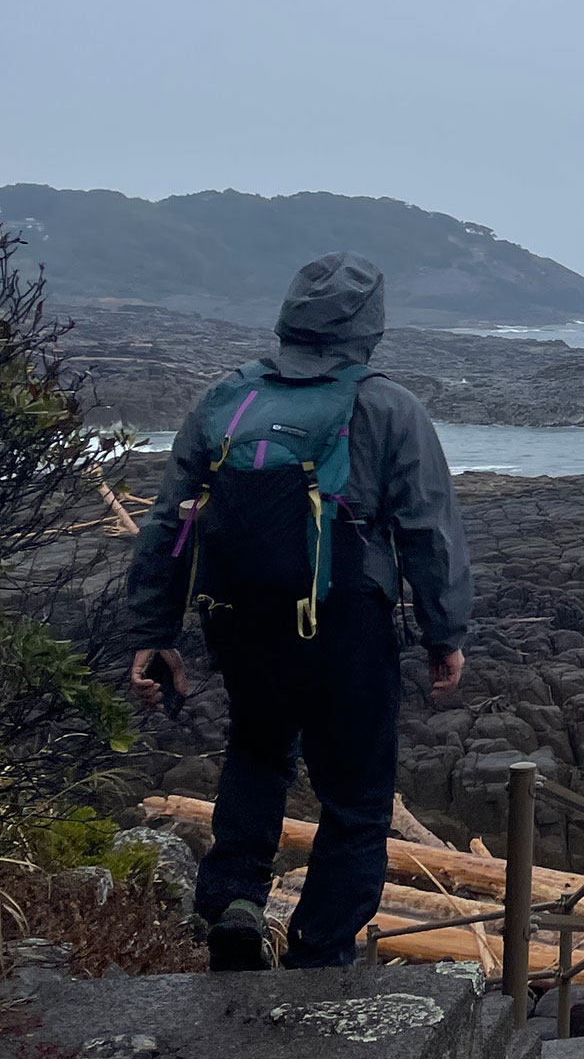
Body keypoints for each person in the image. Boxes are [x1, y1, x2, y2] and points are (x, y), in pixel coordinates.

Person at [126, 252, 472, 971]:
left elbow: (169, 521)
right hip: (346, 624)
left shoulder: (229, 399)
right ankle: (321, 948)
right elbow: (429, 530)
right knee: (355, 791)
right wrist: (445, 631)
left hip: (243, 622)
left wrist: (155, 632)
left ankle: (236, 904)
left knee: (256, 754)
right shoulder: (388, 406)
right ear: (369, 326)